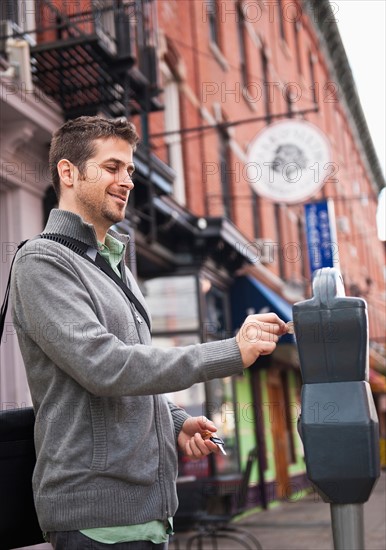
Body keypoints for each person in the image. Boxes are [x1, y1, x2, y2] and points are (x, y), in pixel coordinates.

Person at [10, 116, 287, 550]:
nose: (127, 181)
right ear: (68, 172)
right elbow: (105, 366)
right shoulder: (43, 262)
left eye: (130, 170)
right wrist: (230, 351)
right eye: (112, 167)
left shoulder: (115, 263)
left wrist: (173, 422)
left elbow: (134, 365)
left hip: (151, 513)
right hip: (96, 519)